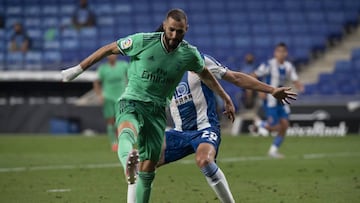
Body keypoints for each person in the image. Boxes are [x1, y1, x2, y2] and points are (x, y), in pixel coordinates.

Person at [61, 9, 235, 203]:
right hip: (133, 100)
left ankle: (132, 165)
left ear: (187, 29)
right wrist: (77, 70)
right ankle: (128, 159)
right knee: (127, 128)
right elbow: (108, 49)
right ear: (164, 25)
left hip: (158, 112)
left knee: (147, 171)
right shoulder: (143, 41)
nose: (174, 36)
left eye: (179, 32)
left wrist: (225, 97)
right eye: (171, 30)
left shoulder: (189, 54)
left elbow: (205, 74)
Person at [154, 53, 297, 203]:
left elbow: (236, 78)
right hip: (179, 132)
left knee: (205, 161)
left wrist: (271, 90)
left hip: (205, 129)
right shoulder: (158, 72)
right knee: (143, 162)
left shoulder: (198, 60)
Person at [250, 42, 304, 158]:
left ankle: (273, 151)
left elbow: (295, 79)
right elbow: (253, 75)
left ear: (286, 53)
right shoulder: (268, 65)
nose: (281, 54)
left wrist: (300, 86)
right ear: (275, 53)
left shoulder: (289, 66)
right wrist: (260, 90)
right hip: (270, 100)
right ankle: (258, 123)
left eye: (283, 51)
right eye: (278, 51)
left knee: (284, 126)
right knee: (275, 126)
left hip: (282, 100)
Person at [93, 55, 129, 152]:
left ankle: (122, 142)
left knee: (121, 120)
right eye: (109, 55)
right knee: (110, 121)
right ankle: (114, 143)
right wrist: (100, 95)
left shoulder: (124, 65)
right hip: (108, 97)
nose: (111, 56)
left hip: (121, 97)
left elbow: (130, 77)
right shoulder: (102, 69)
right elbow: (96, 82)